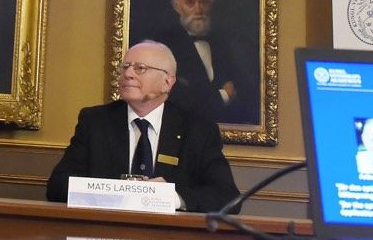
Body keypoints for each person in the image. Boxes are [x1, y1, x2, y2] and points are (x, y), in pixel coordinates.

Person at [46, 40, 240, 212]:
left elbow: (227, 197)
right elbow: (58, 185)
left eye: (140, 68)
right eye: (125, 67)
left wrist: (172, 198)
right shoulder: (96, 121)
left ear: (167, 82)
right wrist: (114, 192)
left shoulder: (198, 129)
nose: (127, 74)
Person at [158, 0, 255, 124]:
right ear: (176, 6)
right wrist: (223, 95)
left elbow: (242, 87)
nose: (198, 10)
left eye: (203, 2)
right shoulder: (163, 45)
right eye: (190, 3)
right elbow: (178, 99)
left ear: (211, 4)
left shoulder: (222, 42)